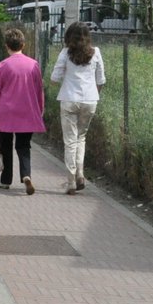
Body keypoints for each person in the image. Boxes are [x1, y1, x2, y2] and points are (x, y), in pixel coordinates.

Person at [0, 26, 46, 194]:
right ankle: (26, 175)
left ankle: (5, 180)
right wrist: (39, 110)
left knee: (6, 147)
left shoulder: (2, 66)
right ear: (23, 45)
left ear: (7, 45)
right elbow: (39, 90)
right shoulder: (33, 65)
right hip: (27, 112)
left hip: (5, 113)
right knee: (24, 146)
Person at [50, 21, 107, 193]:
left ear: (69, 37)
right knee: (81, 137)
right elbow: (101, 80)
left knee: (70, 141)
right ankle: (81, 174)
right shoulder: (96, 52)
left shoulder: (65, 53)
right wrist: (94, 93)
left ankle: (71, 181)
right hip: (90, 100)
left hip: (69, 99)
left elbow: (54, 78)